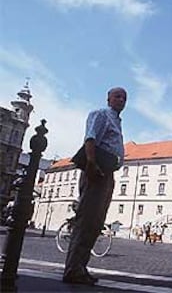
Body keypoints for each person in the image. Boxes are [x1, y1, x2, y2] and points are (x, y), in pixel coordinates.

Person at [62, 87, 127, 285]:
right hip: (96, 172)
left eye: (124, 97)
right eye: (117, 96)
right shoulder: (100, 114)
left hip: (107, 173)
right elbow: (90, 138)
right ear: (108, 98)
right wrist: (91, 163)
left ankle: (80, 267)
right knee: (87, 220)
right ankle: (73, 269)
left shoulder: (116, 121)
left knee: (96, 223)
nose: (121, 100)